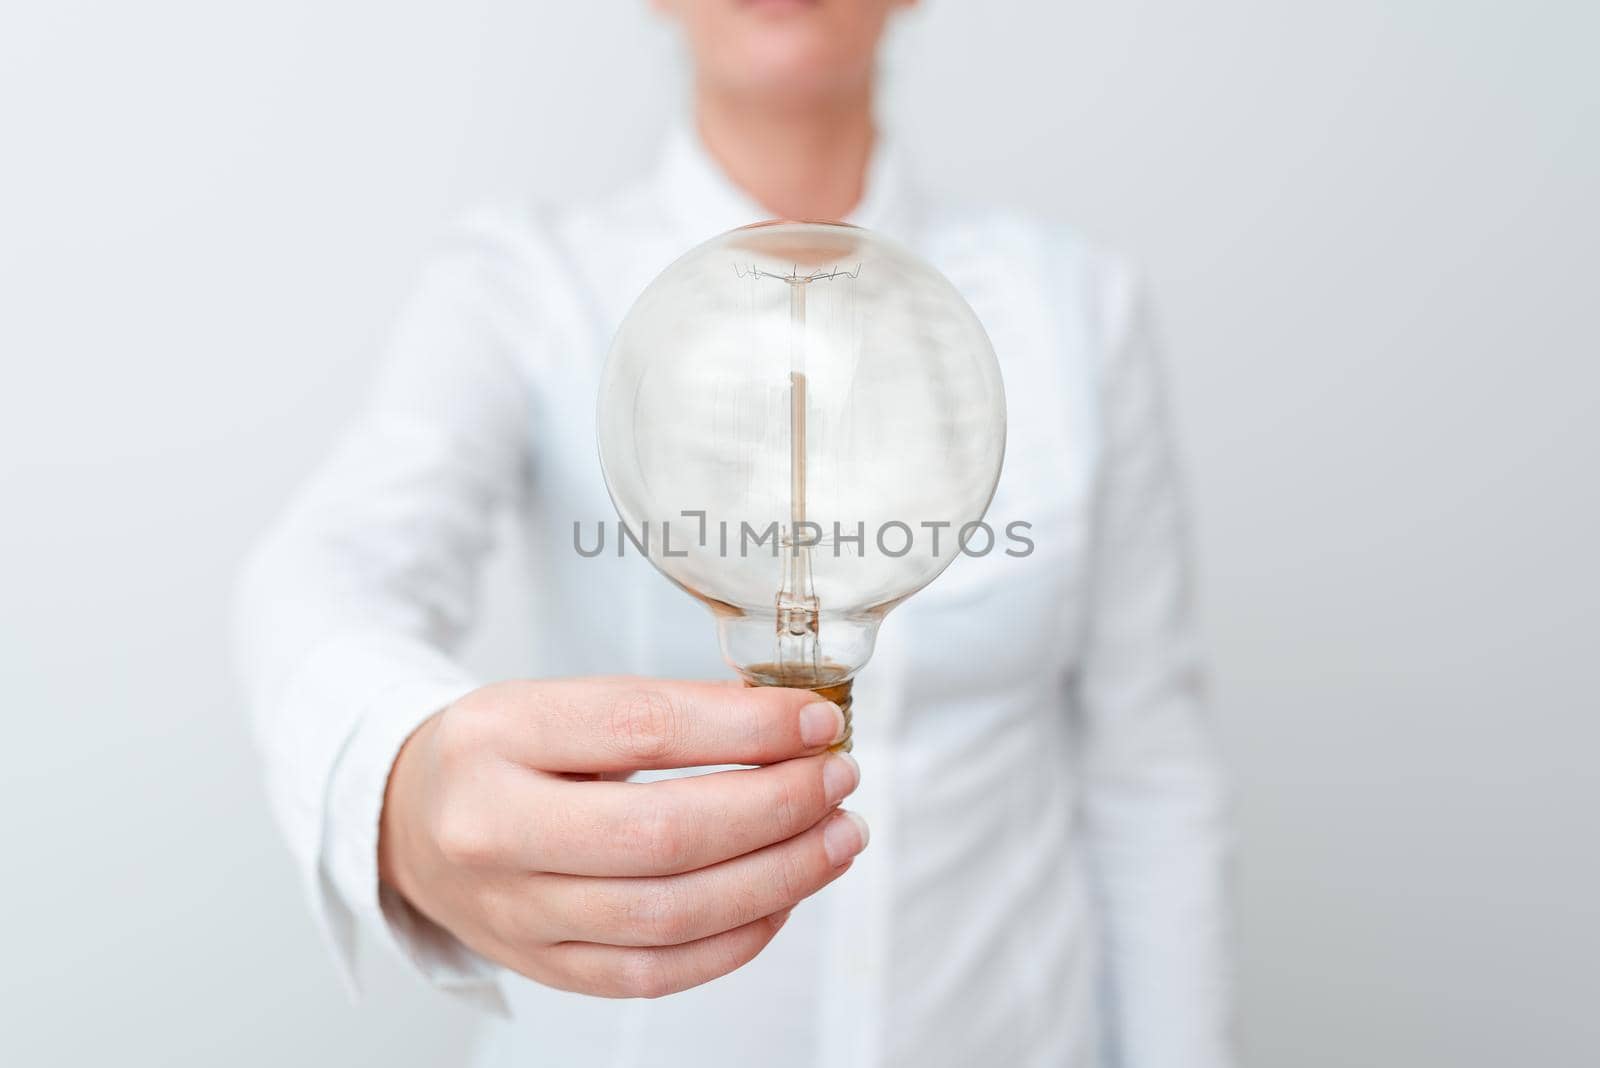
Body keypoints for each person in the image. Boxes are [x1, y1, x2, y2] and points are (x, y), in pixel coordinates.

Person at [234, 1, 1232, 1065]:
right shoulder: (530, 283)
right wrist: (399, 774)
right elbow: (331, 567)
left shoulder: (1069, 305)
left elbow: (1151, 776)